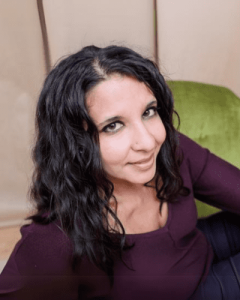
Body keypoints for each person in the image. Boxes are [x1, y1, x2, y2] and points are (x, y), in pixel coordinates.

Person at [0, 45, 240, 300]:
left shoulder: (169, 148)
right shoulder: (54, 239)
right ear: (76, 143)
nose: (148, 142)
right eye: (113, 126)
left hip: (199, 248)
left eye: (149, 112)